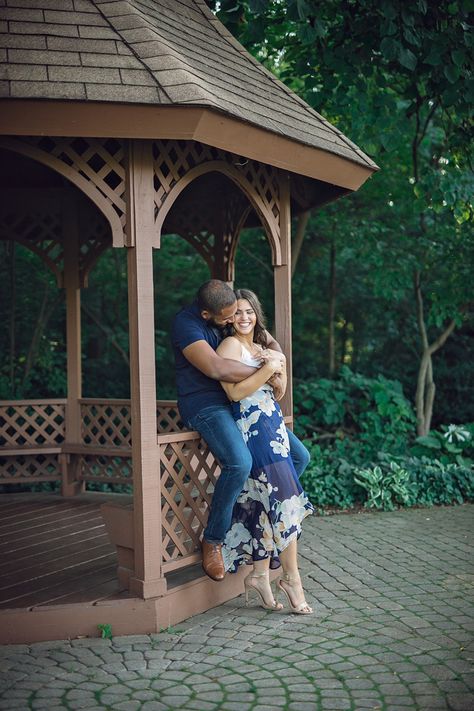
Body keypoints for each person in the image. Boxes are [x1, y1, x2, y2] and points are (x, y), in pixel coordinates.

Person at [171, 280, 311, 583]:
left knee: (299, 457)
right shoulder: (187, 325)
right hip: (206, 405)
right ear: (210, 315)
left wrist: (274, 359)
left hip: (241, 405)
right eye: (229, 316)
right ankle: (215, 539)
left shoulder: (230, 312)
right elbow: (219, 370)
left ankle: (264, 527)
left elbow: (272, 345)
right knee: (240, 462)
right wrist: (267, 372)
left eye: (239, 312)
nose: (235, 319)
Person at [216, 289, 314, 614]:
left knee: (264, 500)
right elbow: (233, 393)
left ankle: (259, 575)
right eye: (239, 312)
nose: (245, 318)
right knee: (283, 497)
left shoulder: (260, 347)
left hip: (272, 424)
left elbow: (280, 391)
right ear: (230, 317)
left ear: (257, 314)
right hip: (252, 425)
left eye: (250, 312)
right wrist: (267, 370)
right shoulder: (229, 346)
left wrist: (279, 369)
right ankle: (291, 579)